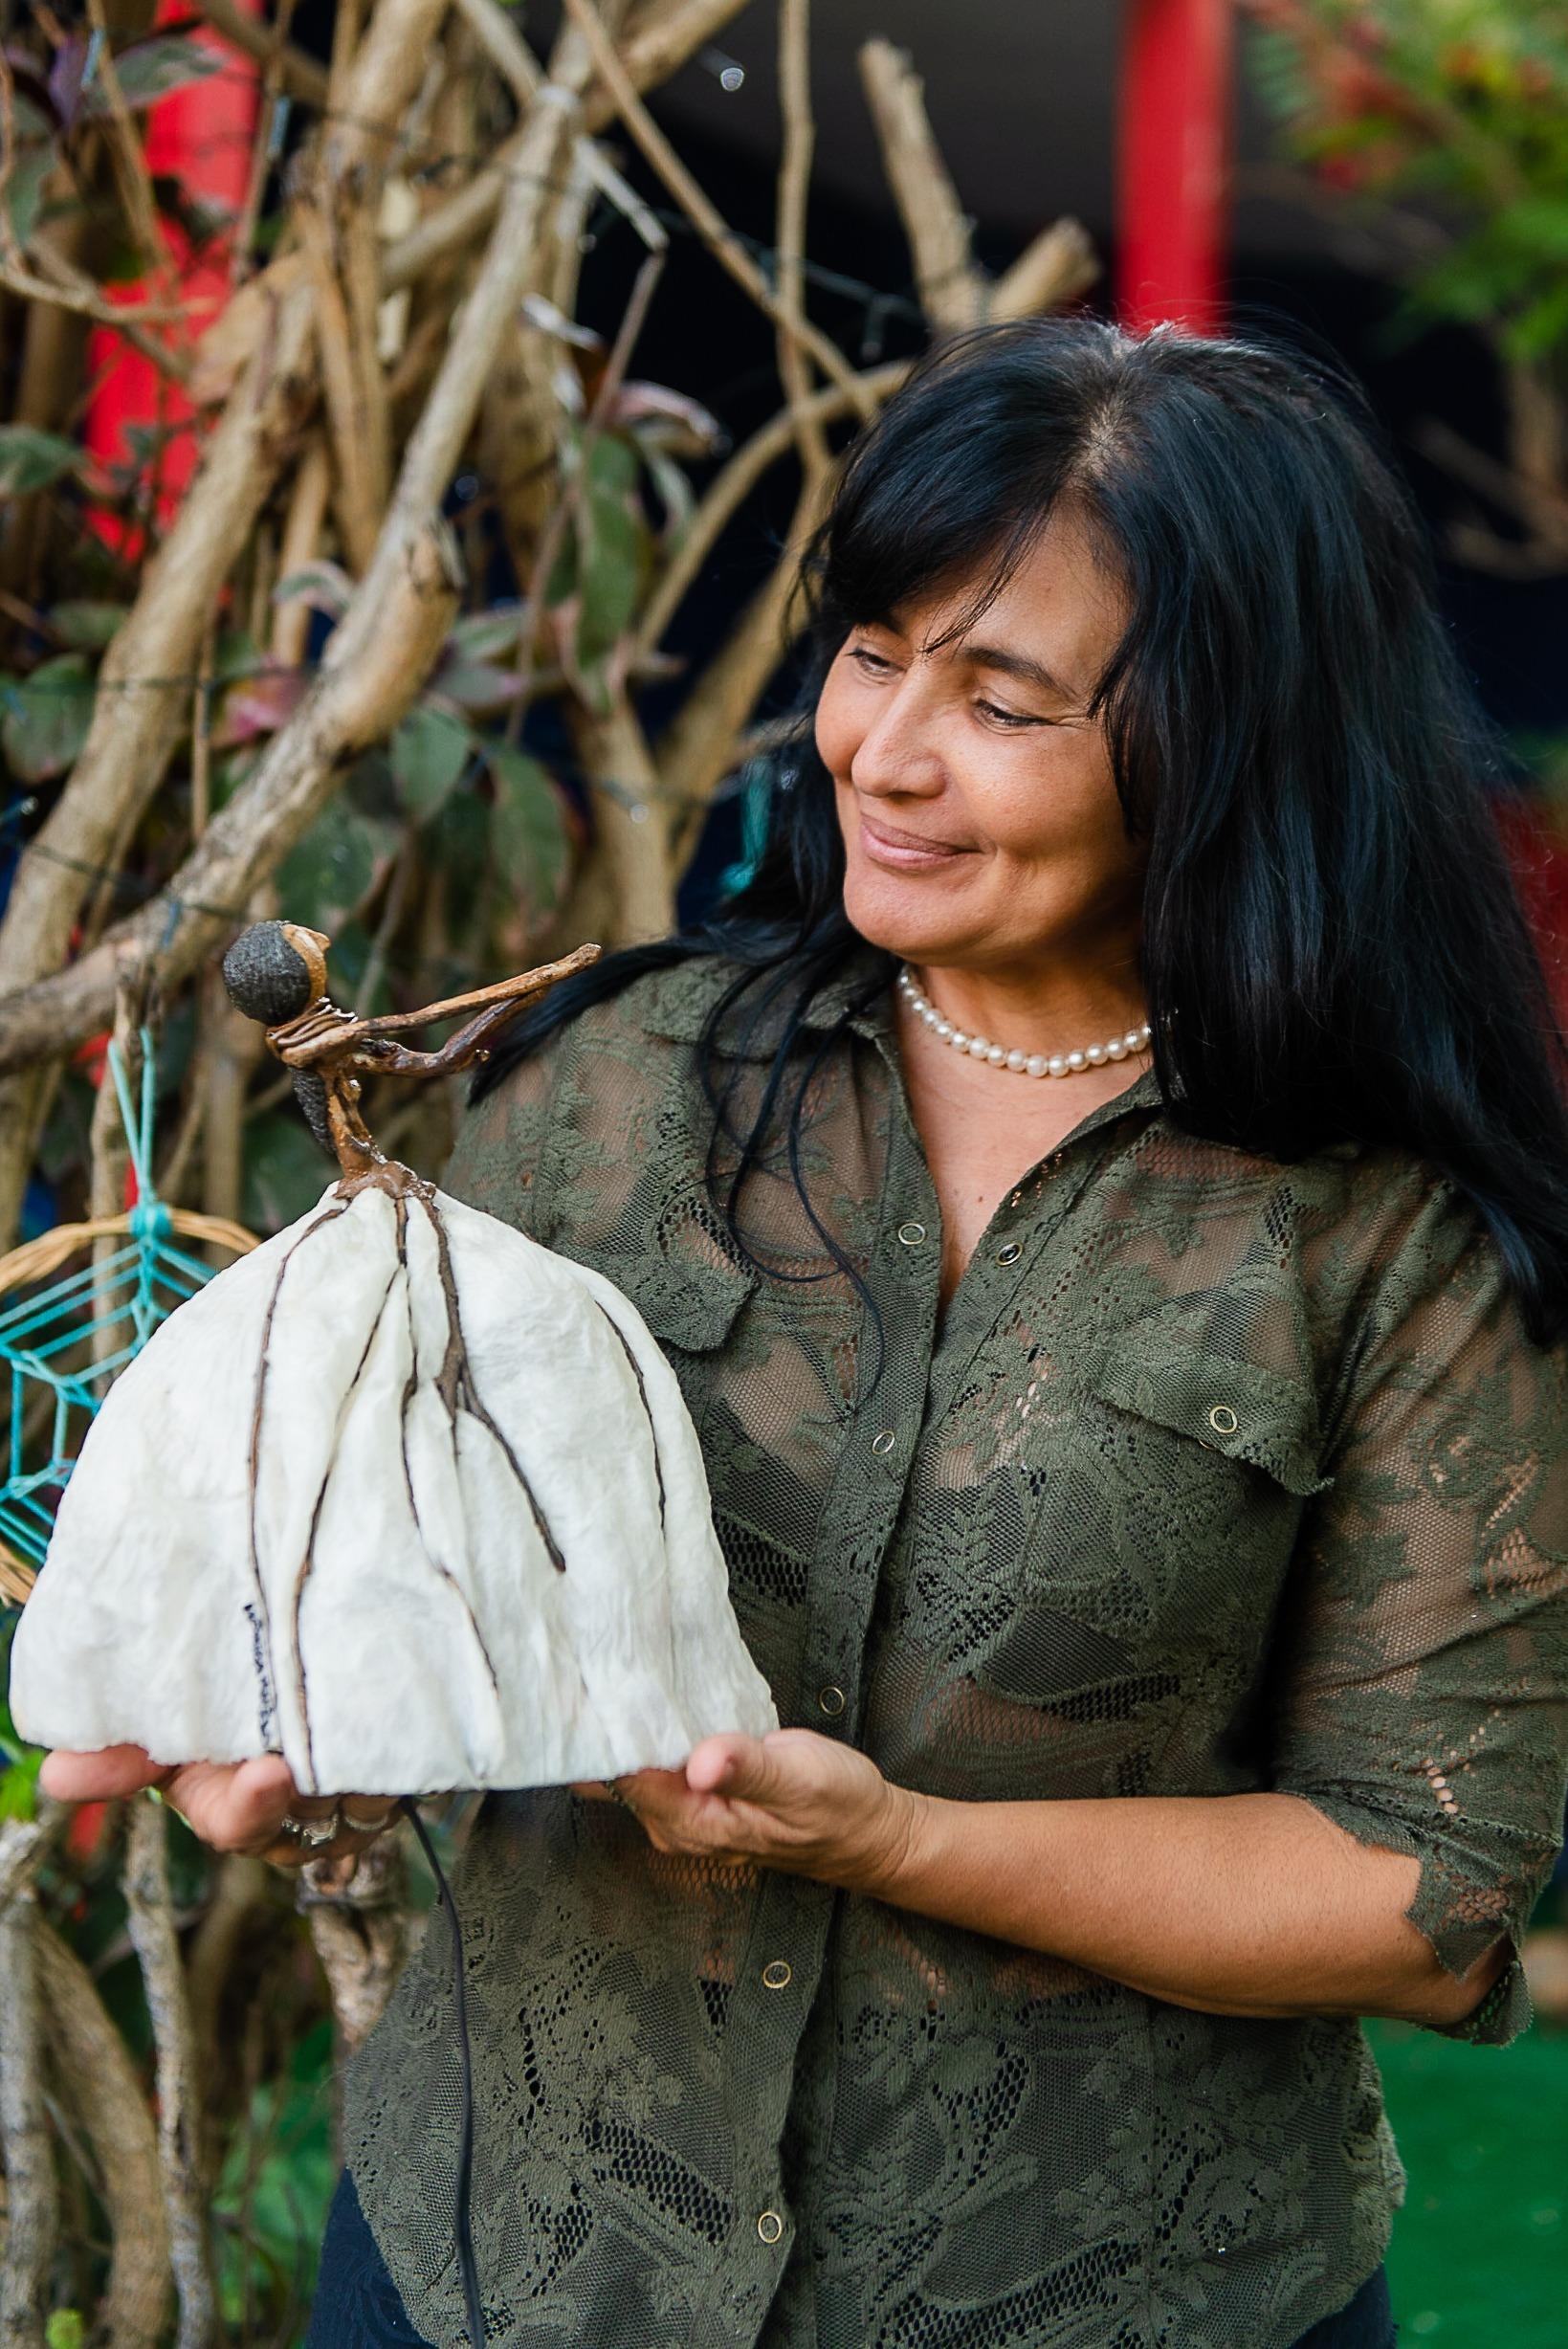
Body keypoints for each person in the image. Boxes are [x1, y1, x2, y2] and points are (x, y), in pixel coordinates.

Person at [41, 319, 1568, 2349]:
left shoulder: (1386, 1234)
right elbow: (414, 1580)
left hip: (1106, 2291)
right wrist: (288, 1734)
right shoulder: (611, 1092)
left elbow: (1423, 1881)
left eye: (1002, 697)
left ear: (1227, 736)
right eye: (873, 651)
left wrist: (903, 1837)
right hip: (518, 2261)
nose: (883, 749)